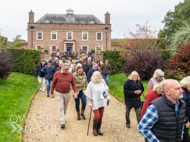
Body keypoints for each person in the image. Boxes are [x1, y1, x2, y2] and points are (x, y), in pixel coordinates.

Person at [50, 63, 77, 129]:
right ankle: (62, 122)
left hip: (67, 93)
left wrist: (75, 92)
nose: (67, 70)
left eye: (68, 69)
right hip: (59, 93)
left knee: (65, 107)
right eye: (65, 69)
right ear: (62, 68)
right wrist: (51, 93)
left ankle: (63, 116)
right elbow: (53, 83)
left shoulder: (70, 74)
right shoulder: (57, 74)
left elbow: (73, 84)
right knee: (61, 106)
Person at [86, 71, 110, 136]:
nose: (99, 76)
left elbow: (106, 89)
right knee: (97, 115)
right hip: (95, 102)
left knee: (101, 115)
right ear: (94, 77)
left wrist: (106, 93)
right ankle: (94, 129)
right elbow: (88, 94)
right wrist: (89, 102)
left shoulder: (102, 82)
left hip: (102, 101)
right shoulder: (91, 84)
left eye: (100, 75)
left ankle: (98, 129)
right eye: (98, 75)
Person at [180, 76, 190, 142]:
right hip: (183, 120)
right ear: (186, 85)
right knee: (186, 139)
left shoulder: (188, 92)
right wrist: (186, 121)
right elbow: (181, 108)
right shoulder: (183, 94)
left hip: (187, 118)